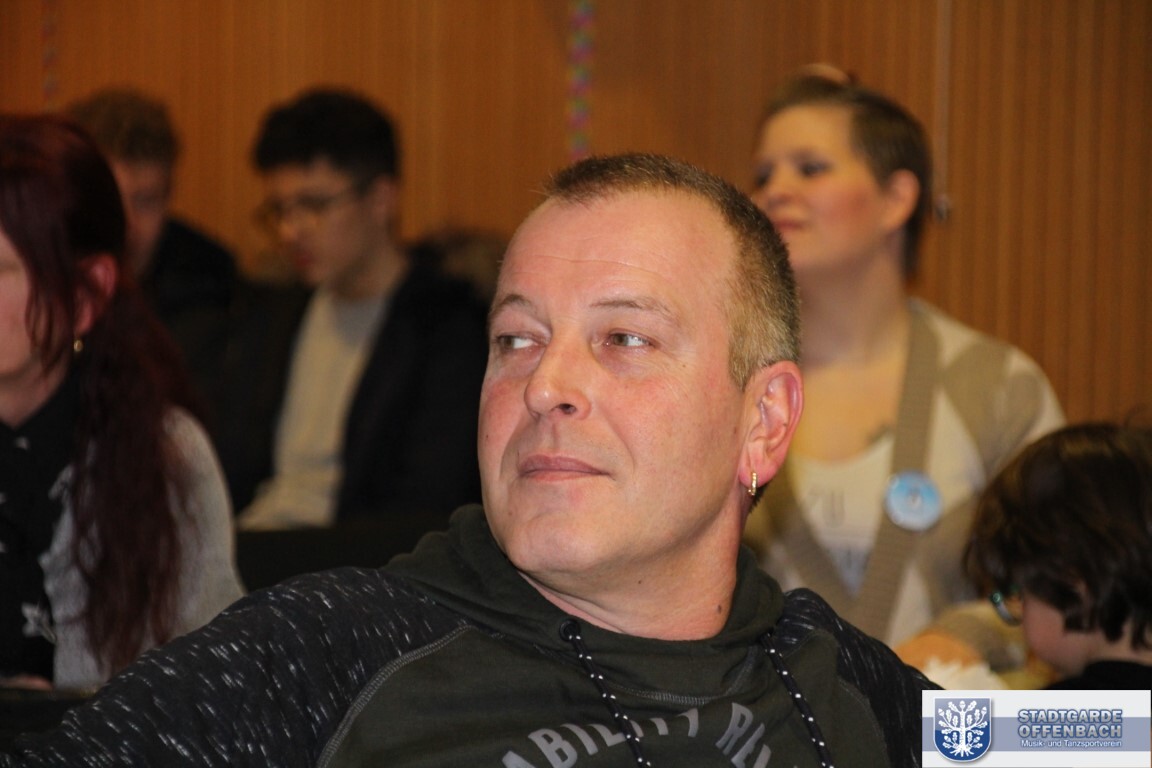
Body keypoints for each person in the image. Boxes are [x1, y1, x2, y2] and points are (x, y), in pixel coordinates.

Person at [0, 153, 936, 767]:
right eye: (516, 341)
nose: (545, 385)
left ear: (764, 421)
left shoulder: (843, 678)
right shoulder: (326, 655)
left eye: (624, 339)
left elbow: (1028, 743)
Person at [743, 69, 1065, 647]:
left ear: (896, 199)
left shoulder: (999, 387)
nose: (776, 191)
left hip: (954, 707)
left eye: (810, 168)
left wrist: (967, 635)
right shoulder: (726, 381)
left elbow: (1069, 586)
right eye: (764, 175)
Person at [0, 115, 243, 692]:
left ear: (87, 294)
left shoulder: (163, 459)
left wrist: (68, 718)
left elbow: (224, 694)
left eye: (1, 268)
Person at [218, 87, 488, 529]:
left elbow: (427, 500)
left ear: (381, 199)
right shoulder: (272, 313)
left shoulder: (444, 327)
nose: (289, 231)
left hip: (356, 557)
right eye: (280, 210)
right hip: (253, 541)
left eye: (313, 206)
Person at [63, 88, 241, 402]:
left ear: (169, 199)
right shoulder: (38, 272)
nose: (127, 225)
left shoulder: (211, 292)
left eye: (146, 201)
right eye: (110, 201)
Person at [963, 421, 1152, 690]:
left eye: (1019, 594)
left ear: (1072, 581)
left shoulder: (1056, 713)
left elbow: (936, 717)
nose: (1020, 620)